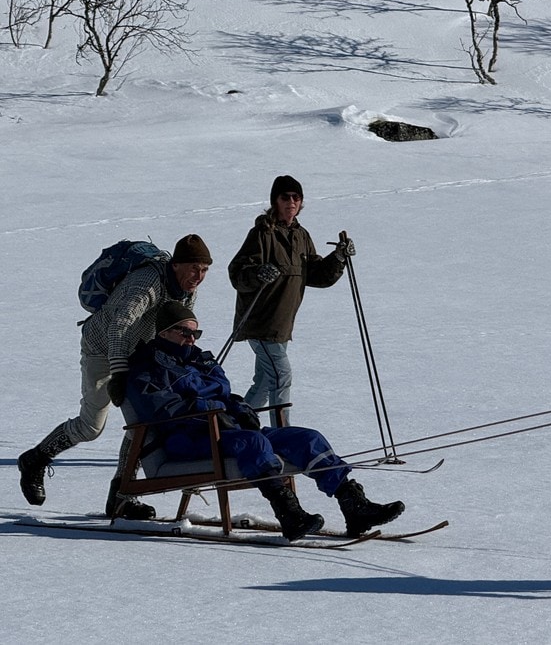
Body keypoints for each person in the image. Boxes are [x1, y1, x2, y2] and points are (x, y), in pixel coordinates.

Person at [125, 303, 404, 541]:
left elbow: (225, 394)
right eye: (184, 332)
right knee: (254, 441)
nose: (191, 339)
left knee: (306, 438)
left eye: (195, 332)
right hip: (187, 439)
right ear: (164, 332)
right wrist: (210, 409)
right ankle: (290, 515)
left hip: (226, 431)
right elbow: (160, 408)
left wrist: (238, 405)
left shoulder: (199, 361)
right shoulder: (148, 366)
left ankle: (354, 505)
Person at [18, 234, 213, 520]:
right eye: (194, 268)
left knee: (142, 422)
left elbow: (175, 327)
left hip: (139, 352)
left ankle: (122, 496)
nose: (199, 276)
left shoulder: (187, 291)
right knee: (91, 426)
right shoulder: (147, 282)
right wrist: (120, 372)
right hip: (101, 347)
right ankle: (35, 459)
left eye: (205, 270)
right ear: (176, 265)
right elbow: (119, 325)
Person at [227, 175, 354, 425]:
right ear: (275, 201)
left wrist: (338, 258)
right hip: (260, 323)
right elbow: (237, 273)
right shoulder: (262, 234)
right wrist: (257, 273)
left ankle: (232, 427)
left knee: (265, 381)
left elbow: (315, 274)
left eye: (296, 197)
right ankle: (282, 436)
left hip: (281, 326)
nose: (291, 202)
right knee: (281, 377)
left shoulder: (300, 235)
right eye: (285, 197)